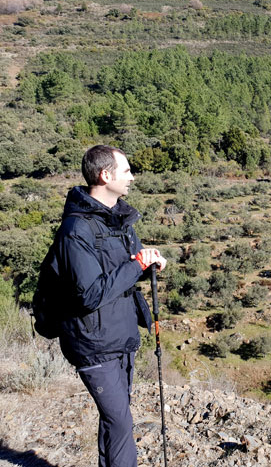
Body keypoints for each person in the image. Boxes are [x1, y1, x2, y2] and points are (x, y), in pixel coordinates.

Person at [53, 145, 167, 467]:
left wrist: (149, 262)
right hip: (92, 342)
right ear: (105, 175)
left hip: (120, 334)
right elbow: (89, 294)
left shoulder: (120, 222)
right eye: (126, 170)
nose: (132, 176)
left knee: (114, 420)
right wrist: (136, 267)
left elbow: (126, 270)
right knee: (120, 422)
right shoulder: (76, 231)